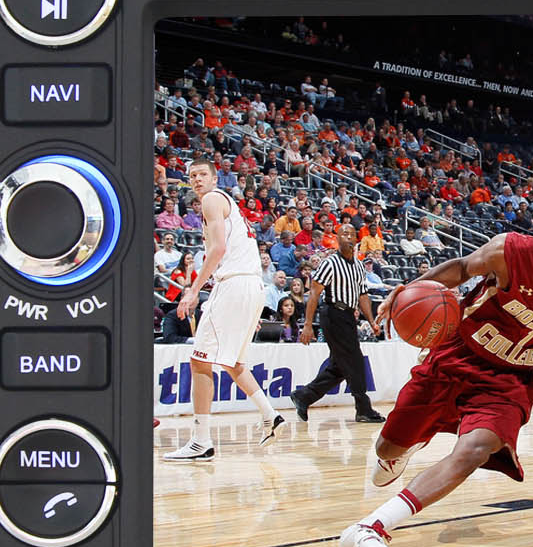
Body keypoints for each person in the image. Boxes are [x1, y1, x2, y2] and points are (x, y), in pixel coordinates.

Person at [339, 200, 533, 547]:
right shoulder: (511, 252)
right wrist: (411, 289)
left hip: (511, 378)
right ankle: (408, 445)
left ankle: (370, 528)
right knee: (387, 448)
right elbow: (461, 268)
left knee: (476, 449)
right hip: (459, 357)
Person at [164, 159, 286, 460]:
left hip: (233, 284)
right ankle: (270, 415)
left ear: (215, 178)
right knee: (233, 362)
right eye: (192, 175)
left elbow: (218, 250)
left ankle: (200, 441)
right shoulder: (227, 204)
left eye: (202, 174)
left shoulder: (211, 199)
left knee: (199, 361)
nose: (197, 179)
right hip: (251, 286)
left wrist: (193, 290)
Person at [293, 230, 384, 424]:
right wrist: (308, 325)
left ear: (356, 240)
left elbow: (363, 296)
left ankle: (304, 396)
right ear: (337, 239)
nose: (348, 237)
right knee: (355, 360)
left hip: (349, 316)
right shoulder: (330, 263)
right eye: (344, 234)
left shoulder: (359, 266)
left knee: (340, 366)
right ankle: (363, 408)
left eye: (351, 234)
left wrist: (372, 321)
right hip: (333, 313)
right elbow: (314, 293)